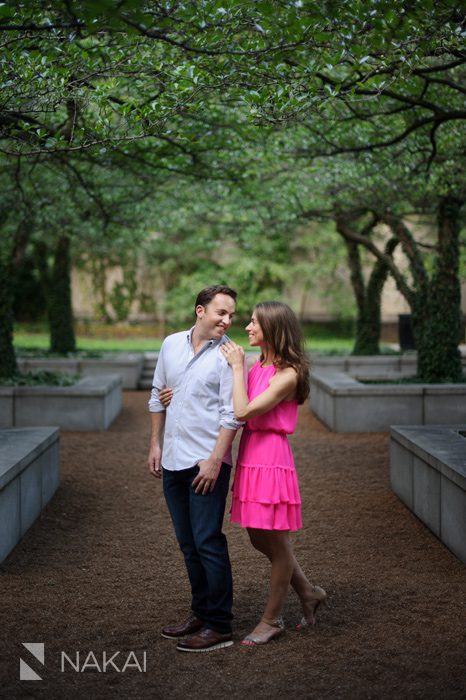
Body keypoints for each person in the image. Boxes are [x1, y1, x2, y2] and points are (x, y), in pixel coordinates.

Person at [219, 300, 327, 646]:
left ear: (273, 329)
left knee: (276, 541)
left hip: (271, 457)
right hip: (252, 453)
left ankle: (271, 619)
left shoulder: (288, 375)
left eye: (253, 323)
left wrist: (237, 368)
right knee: (257, 537)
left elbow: (243, 411)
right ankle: (308, 591)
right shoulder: (259, 365)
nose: (247, 327)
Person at [147, 285, 243, 653]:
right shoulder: (171, 343)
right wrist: (156, 443)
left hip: (207, 463)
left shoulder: (231, 356)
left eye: (232, 314)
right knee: (188, 544)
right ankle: (201, 612)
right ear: (199, 311)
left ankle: (220, 625)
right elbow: (158, 394)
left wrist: (216, 460)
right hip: (172, 458)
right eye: (221, 312)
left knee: (208, 541)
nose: (227, 320)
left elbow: (231, 414)